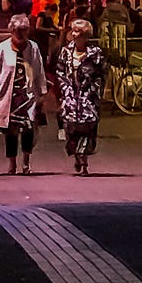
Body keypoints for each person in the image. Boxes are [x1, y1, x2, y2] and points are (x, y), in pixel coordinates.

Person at [0, 13, 47, 175]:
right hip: (9, 96)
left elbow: (39, 70)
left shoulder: (33, 48)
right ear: (12, 31)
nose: (22, 34)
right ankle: (12, 164)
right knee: (10, 132)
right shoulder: (2, 48)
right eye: (19, 30)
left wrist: (42, 93)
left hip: (27, 96)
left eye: (25, 30)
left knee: (28, 129)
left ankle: (26, 163)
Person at [55, 19, 107, 176]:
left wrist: (95, 90)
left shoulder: (95, 53)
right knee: (72, 130)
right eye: (73, 31)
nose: (74, 34)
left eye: (78, 32)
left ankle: (84, 161)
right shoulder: (66, 52)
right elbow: (60, 72)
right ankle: (77, 156)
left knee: (88, 129)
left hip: (88, 98)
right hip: (70, 98)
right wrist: (65, 90)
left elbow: (102, 74)